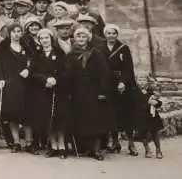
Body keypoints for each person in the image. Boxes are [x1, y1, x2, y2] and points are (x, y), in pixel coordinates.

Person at [67, 27, 116, 161]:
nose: (81, 39)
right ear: (75, 39)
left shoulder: (96, 53)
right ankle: (86, 147)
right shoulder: (71, 55)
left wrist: (102, 92)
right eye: (78, 37)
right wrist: (69, 92)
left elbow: (104, 74)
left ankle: (96, 149)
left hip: (94, 92)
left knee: (96, 121)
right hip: (78, 93)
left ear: (88, 38)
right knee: (83, 120)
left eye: (83, 37)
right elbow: (68, 75)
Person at [0, 22, 35, 154]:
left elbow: (35, 62)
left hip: (26, 85)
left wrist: (29, 70)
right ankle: (16, 142)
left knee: (27, 115)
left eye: (19, 31)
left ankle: (29, 142)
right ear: (9, 33)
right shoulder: (3, 48)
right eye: (14, 31)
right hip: (10, 84)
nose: (17, 34)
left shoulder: (27, 48)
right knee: (12, 115)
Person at [28, 29, 71, 159]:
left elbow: (67, 71)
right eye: (42, 38)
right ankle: (53, 146)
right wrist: (44, 80)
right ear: (39, 41)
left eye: (47, 38)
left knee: (59, 118)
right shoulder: (37, 54)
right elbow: (32, 72)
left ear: (51, 39)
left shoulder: (59, 53)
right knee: (48, 118)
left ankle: (62, 146)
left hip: (58, 90)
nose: (44, 41)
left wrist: (56, 80)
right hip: (43, 90)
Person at [99, 24, 139, 156]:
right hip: (107, 84)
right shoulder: (100, 48)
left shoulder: (123, 48)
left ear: (117, 35)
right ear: (105, 35)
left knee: (126, 113)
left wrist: (123, 82)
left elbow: (128, 68)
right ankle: (115, 142)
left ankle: (131, 143)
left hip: (122, 85)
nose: (111, 36)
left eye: (113, 33)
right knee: (112, 113)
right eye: (108, 33)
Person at [135, 84, 164, 159]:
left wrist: (157, 102)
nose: (142, 82)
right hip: (140, 115)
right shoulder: (136, 91)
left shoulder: (150, 91)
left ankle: (158, 150)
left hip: (152, 116)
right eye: (140, 79)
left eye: (144, 80)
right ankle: (147, 149)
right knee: (142, 133)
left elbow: (158, 100)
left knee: (154, 132)